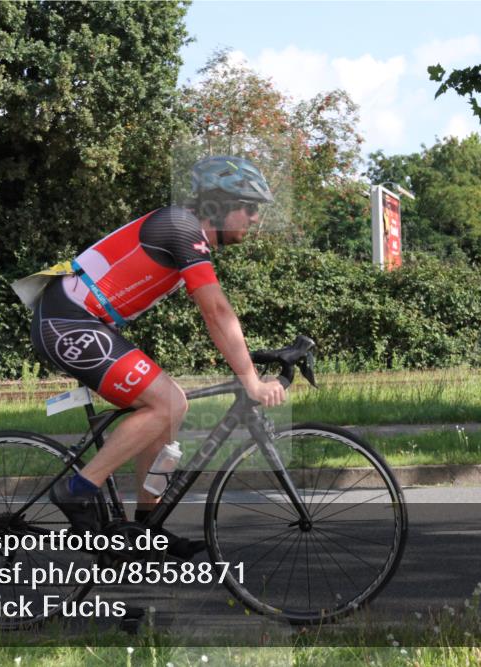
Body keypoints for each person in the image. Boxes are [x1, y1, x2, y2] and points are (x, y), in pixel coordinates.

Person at [28, 156, 287, 559]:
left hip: (84, 321)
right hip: (67, 321)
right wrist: (252, 380)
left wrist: (255, 362)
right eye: (250, 207)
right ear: (220, 205)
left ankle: (144, 529)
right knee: (169, 401)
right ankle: (78, 489)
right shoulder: (181, 227)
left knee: (169, 410)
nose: (255, 218)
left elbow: (219, 314)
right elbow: (215, 311)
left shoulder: (184, 230)